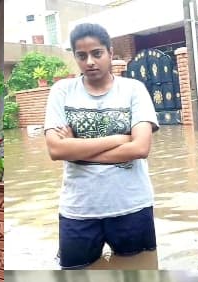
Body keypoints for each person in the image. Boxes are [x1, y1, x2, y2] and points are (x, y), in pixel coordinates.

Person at [43, 23, 159, 269]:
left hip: (132, 205)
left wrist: (77, 150)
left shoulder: (133, 89)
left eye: (97, 53)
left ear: (110, 52)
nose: (90, 62)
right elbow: (56, 150)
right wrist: (119, 139)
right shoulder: (62, 91)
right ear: (74, 56)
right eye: (81, 55)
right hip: (79, 209)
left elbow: (140, 148)